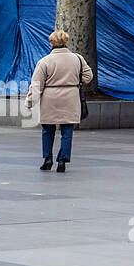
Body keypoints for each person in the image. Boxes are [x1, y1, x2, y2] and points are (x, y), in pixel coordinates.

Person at [25, 30, 93, 174]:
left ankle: (47, 159)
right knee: (67, 131)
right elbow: (88, 76)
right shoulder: (78, 58)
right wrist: (76, 81)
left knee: (47, 130)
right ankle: (62, 160)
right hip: (71, 96)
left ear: (51, 43)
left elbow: (37, 84)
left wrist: (30, 102)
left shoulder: (45, 61)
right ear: (66, 42)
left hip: (50, 98)